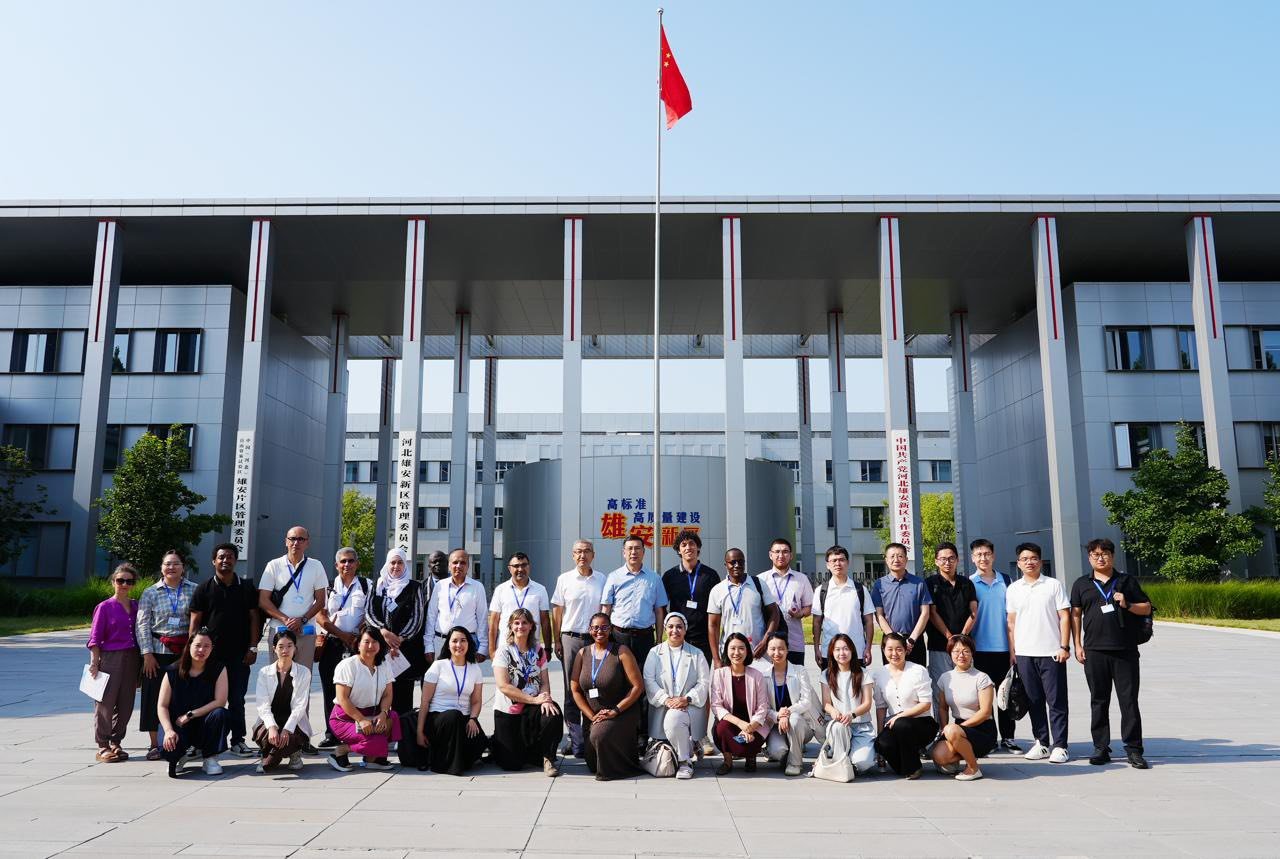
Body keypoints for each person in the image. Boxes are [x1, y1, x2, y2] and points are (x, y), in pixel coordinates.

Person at [1070, 537, 1151, 769]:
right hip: (1094, 651)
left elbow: (1146, 607)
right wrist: (1077, 645)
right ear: (1089, 558)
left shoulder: (1126, 581)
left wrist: (1127, 604)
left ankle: (1134, 749)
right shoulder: (1081, 584)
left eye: (1105, 553)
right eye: (1095, 554)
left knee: (1129, 701)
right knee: (1099, 700)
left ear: (1112, 556)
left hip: (1125, 650)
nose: (1100, 558)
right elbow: (1075, 615)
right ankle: (1101, 748)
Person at [189, 542, 261, 759]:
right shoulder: (203, 588)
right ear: (214, 561)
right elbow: (195, 622)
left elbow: (254, 618)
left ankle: (238, 740)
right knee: (205, 698)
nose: (225, 560)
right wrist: (193, 651)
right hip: (210, 656)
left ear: (235, 560)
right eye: (221, 557)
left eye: (229, 557)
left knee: (237, 699)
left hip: (239, 655)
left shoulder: (246, 587)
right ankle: (200, 742)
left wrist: (253, 647)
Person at [1006, 542, 1072, 764]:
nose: (1029, 562)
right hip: (1025, 653)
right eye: (1025, 559)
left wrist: (1064, 646)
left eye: (1033, 558)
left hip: (1052, 652)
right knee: (1033, 700)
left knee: (1056, 701)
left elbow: (1064, 616)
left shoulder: (1053, 585)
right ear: (1018, 563)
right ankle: (1042, 742)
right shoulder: (1013, 589)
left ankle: (1060, 745)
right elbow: (1011, 622)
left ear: (1040, 561)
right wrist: (1013, 651)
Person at [136, 549, 198, 762]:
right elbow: (142, 624)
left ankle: (186, 742)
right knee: (153, 697)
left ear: (183, 567)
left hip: (184, 652)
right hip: (157, 652)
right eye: (167, 564)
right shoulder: (150, 592)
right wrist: (146, 654)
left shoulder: (194, 589)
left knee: (185, 697)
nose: (171, 567)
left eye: (176, 563)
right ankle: (155, 744)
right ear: (162, 568)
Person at [570, 612, 645, 780]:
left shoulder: (621, 651)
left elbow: (638, 686)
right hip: (593, 715)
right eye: (595, 627)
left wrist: (615, 711)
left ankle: (616, 765)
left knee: (599, 735)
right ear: (590, 630)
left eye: (604, 627)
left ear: (610, 629)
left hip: (620, 713)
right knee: (592, 763)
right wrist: (591, 716)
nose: (600, 631)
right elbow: (575, 689)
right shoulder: (582, 653)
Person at [491, 608, 563, 776]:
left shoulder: (538, 650)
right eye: (516, 623)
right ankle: (496, 743)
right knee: (512, 764)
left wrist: (545, 699)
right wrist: (534, 700)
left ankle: (547, 757)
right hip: (509, 709)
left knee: (552, 713)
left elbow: (544, 682)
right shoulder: (503, 651)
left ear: (531, 626)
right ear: (511, 626)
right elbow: (504, 686)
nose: (520, 626)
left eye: (524, 622)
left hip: (533, 707)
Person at [551, 539, 606, 756]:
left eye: (586, 551)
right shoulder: (564, 579)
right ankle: (575, 740)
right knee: (571, 689)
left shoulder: (602, 579)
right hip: (571, 639)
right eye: (578, 552)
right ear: (573, 555)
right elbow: (557, 611)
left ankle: (591, 735)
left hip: (595, 640)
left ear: (593, 555)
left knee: (593, 687)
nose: (582, 555)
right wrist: (557, 640)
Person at [641, 612, 711, 779]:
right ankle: (690, 746)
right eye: (671, 627)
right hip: (663, 705)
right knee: (673, 719)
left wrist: (687, 699)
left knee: (675, 717)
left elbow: (704, 682)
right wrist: (666, 699)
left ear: (685, 630)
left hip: (689, 707)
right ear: (665, 629)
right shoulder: (654, 652)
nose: (675, 630)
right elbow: (649, 680)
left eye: (679, 627)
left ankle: (685, 762)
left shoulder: (697, 654)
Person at [968, 538, 1021, 753]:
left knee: (1005, 695)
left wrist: (1013, 649)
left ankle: (1008, 737)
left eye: (987, 554)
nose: (983, 558)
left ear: (993, 556)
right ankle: (988, 740)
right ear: (972, 558)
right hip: (979, 650)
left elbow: (1013, 617)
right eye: (979, 554)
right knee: (984, 699)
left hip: (1004, 650)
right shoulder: (969, 583)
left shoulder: (1006, 581)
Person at [316, 546, 371, 750]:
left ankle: (355, 730)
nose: (347, 564)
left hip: (358, 644)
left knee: (357, 689)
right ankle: (332, 733)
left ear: (357, 564)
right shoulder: (327, 587)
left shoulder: (367, 585)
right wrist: (342, 635)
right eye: (343, 561)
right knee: (330, 688)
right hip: (332, 642)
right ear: (336, 565)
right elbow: (320, 616)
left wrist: (357, 634)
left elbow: (371, 612)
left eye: (351, 561)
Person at [87, 563, 141, 763]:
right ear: (113, 582)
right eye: (120, 580)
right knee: (105, 703)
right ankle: (103, 745)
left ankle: (116, 742)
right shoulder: (104, 607)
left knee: (126, 703)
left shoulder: (136, 606)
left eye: (129, 581)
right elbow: (95, 638)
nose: (124, 584)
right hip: (110, 658)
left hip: (133, 657)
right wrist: (95, 662)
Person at [156, 628, 229, 778]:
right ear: (189, 645)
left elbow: (220, 701)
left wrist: (190, 715)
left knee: (220, 714)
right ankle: (178, 757)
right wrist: (168, 730)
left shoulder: (218, 669)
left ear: (212, 648)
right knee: (170, 745)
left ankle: (210, 757)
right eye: (197, 645)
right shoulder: (173, 670)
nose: (201, 650)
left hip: (203, 722)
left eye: (206, 646)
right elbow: (162, 705)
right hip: (177, 723)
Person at [364, 547, 427, 717]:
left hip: (403, 650)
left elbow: (417, 617)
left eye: (400, 563)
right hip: (378, 647)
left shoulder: (414, 587)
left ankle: (402, 731)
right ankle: (379, 729)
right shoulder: (377, 586)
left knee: (402, 697)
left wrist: (399, 639)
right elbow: (368, 612)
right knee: (377, 694)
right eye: (393, 562)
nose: (396, 566)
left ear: (405, 565)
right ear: (387, 564)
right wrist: (383, 631)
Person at [327, 626, 400, 772]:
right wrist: (361, 719)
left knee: (393, 718)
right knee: (376, 741)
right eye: (366, 642)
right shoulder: (348, 665)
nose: (371, 646)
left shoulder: (384, 665)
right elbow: (343, 698)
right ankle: (340, 751)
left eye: (375, 642)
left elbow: (387, 694)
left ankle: (372, 759)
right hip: (346, 717)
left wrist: (383, 713)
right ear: (358, 644)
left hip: (373, 713)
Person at [417, 626, 487, 775]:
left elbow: (476, 701)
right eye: (454, 641)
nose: (459, 645)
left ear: (469, 644)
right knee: (453, 716)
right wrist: (419, 731)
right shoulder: (438, 666)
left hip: (464, 718)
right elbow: (425, 702)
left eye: (463, 640)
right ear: (448, 644)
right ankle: (447, 766)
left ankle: (458, 758)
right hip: (439, 718)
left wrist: (473, 718)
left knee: (479, 741)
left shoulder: (475, 668)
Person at [257, 526, 328, 672]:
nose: (296, 542)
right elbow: (263, 600)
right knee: (279, 676)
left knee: (303, 675)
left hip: (305, 630)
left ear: (307, 543)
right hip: (279, 629)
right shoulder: (274, 565)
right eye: (293, 539)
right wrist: (285, 620)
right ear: (286, 541)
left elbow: (321, 600)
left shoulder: (316, 565)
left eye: (301, 539)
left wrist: (302, 619)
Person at [872, 632, 938, 779]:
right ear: (883, 650)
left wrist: (900, 716)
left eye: (899, 649)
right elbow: (880, 707)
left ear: (906, 650)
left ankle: (914, 767)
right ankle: (906, 766)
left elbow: (926, 704)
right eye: (890, 649)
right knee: (882, 743)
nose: (894, 654)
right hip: (895, 724)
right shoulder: (878, 674)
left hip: (922, 723)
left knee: (902, 724)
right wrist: (880, 733)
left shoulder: (918, 670)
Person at [600, 535, 669, 673]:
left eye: (637, 548)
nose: (633, 552)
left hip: (645, 637)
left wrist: (659, 639)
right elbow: (606, 608)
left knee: (644, 675)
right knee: (617, 675)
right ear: (624, 552)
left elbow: (659, 611)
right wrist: (603, 634)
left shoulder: (654, 578)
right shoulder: (614, 577)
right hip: (618, 636)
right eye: (630, 548)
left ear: (643, 552)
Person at [931, 634, 996, 781]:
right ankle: (968, 754)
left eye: (966, 651)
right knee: (939, 756)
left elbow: (985, 712)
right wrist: (944, 729)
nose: (961, 655)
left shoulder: (982, 677)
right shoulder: (945, 678)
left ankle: (973, 768)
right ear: (950, 654)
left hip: (982, 729)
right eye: (956, 651)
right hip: (959, 728)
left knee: (952, 730)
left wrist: (957, 729)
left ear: (972, 653)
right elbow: (942, 708)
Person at [709, 633, 773, 775]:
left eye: (741, 648)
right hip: (732, 724)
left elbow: (763, 707)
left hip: (754, 725)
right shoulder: (719, 674)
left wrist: (749, 728)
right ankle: (727, 761)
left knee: (751, 741)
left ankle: (751, 756)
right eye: (732, 648)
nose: (736, 653)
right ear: (726, 651)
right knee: (721, 728)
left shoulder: (757, 675)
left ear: (747, 651)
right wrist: (740, 724)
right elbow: (716, 706)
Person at [757, 632, 820, 776]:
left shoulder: (799, 671)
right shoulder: (763, 676)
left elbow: (806, 701)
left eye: (781, 648)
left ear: (787, 649)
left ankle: (795, 763)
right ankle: (788, 751)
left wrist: (787, 713)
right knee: (777, 751)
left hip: (801, 725)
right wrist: (778, 716)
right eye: (773, 649)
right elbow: (763, 707)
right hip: (777, 726)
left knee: (794, 719)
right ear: (767, 651)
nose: (777, 653)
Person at [817, 633, 877, 777]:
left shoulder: (863, 673)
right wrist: (833, 711)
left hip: (860, 726)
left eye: (845, 649)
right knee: (838, 727)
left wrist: (852, 714)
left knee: (863, 763)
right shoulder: (826, 674)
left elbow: (867, 703)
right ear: (832, 652)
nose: (842, 653)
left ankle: (849, 757)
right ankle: (839, 759)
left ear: (852, 651)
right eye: (837, 649)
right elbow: (826, 703)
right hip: (839, 725)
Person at [924, 542, 977, 702]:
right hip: (939, 645)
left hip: (964, 645)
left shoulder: (966, 583)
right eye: (943, 559)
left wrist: (961, 637)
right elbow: (932, 613)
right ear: (936, 561)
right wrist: (950, 637)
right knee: (940, 689)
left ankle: (965, 720)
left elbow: (974, 612)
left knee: (967, 690)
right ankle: (941, 720)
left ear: (957, 560)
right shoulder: (930, 583)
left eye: (951, 558)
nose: (947, 562)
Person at [707, 547, 779, 666]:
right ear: (726, 565)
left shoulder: (758, 584)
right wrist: (716, 659)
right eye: (732, 562)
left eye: (740, 562)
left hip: (757, 653)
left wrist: (766, 641)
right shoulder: (717, 590)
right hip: (730, 654)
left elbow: (774, 613)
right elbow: (713, 625)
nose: (737, 565)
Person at [252, 629, 311, 773]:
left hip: (293, 719)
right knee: (266, 732)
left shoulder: (304, 672)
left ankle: (289, 754)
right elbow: (262, 704)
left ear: (295, 648)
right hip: (271, 717)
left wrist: (287, 729)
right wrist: (272, 726)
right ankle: (268, 753)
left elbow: (300, 706)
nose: (285, 650)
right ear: (274, 649)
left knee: (291, 736)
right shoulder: (264, 672)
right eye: (281, 646)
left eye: (289, 646)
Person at [659, 530, 720, 667]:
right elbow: (661, 606)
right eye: (684, 545)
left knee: (703, 676)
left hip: (704, 638)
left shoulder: (710, 575)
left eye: (692, 544)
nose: (688, 547)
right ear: (679, 550)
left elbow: (718, 610)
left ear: (698, 547)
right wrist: (669, 626)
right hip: (678, 637)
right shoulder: (670, 576)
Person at [812, 545, 875, 670]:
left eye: (841, 560)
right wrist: (816, 649)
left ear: (848, 562)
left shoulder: (860, 590)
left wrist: (868, 648)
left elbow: (869, 621)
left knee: (857, 683)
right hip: (829, 652)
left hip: (856, 651)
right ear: (827, 565)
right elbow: (817, 622)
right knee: (830, 683)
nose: (838, 564)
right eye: (833, 560)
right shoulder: (821, 591)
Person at [871, 543, 932, 667]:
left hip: (915, 640)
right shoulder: (879, 584)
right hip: (890, 642)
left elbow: (925, 613)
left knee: (917, 676)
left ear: (906, 559)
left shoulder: (919, 583)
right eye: (892, 556)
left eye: (900, 556)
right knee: (892, 676)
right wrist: (893, 638)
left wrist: (912, 639)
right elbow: (879, 615)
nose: (896, 560)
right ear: (886, 560)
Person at [488, 551, 553, 667]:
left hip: (531, 649)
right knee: (504, 679)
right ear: (509, 568)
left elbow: (545, 621)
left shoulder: (540, 590)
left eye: (524, 565)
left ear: (529, 567)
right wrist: (492, 651)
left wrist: (547, 649)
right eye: (516, 566)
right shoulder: (500, 590)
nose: (520, 569)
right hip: (505, 648)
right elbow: (493, 623)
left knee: (532, 679)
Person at [424, 548, 489, 663]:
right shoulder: (440, 586)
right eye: (455, 562)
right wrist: (428, 645)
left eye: (462, 562)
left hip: (467, 644)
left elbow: (482, 618)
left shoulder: (477, 587)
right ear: (449, 565)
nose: (458, 566)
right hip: (441, 643)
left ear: (468, 566)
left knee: (466, 674)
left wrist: (483, 647)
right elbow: (431, 616)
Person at [757, 538, 814, 666]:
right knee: (768, 677)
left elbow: (809, 606)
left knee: (795, 676)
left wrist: (800, 614)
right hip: (767, 643)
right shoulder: (760, 579)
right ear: (770, 555)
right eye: (777, 551)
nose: (781, 555)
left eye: (785, 552)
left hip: (794, 642)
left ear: (791, 555)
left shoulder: (801, 579)